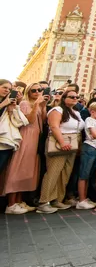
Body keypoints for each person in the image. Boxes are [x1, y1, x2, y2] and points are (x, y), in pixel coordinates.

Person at [37, 88, 84, 214]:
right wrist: (62, 143)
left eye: (77, 97)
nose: (75, 99)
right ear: (64, 98)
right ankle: (44, 201)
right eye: (72, 97)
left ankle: (56, 199)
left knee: (65, 173)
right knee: (53, 172)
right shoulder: (57, 110)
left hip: (73, 144)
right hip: (59, 142)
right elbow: (54, 126)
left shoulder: (76, 112)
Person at [2, 82, 45, 214]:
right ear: (28, 92)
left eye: (39, 90)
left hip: (35, 138)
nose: (37, 92)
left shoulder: (36, 104)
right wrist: (37, 104)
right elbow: (30, 120)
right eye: (34, 90)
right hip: (26, 136)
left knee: (26, 169)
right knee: (18, 168)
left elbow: (42, 121)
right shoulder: (25, 103)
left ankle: (19, 201)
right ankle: (11, 203)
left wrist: (42, 106)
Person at [76, 102, 96, 210]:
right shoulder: (89, 120)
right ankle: (81, 199)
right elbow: (95, 135)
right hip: (89, 147)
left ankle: (85, 198)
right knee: (84, 174)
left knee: (89, 174)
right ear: (92, 111)